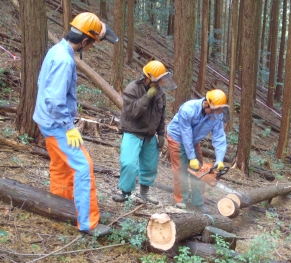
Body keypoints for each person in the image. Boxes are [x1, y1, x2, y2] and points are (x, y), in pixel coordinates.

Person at [33, 12, 118, 237]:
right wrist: (68, 126)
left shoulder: (57, 50)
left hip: (46, 120)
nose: (91, 47)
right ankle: (88, 223)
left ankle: (60, 207)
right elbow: (54, 98)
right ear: (85, 41)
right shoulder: (64, 59)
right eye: (93, 44)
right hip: (55, 123)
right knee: (83, 166)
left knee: (61, 167)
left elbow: (42, 83)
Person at [112, 60, 177, 204]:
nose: (160, 83)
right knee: (128, 163)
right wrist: (148, 96)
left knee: (150, 165)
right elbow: (134, 112)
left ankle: (144, 192)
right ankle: (125, 192)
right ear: (148, 77)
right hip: (132, 131)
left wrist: (161, 134)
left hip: (149, 134)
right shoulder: (132, 89)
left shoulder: (160, 94)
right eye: (158, 80)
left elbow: (161, 115)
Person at [167, 89, 228, 213]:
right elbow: (186, 134)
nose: (216, 113)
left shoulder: (217, 114)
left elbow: (219, 137)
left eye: (219, 110)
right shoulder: (188, 109)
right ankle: (181, 201)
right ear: (206, 103)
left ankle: (198, 201)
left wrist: (219, 160)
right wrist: (191, 157)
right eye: (214, 110)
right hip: (177, 137)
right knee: (181, 169)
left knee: (200, 171)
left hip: (194, 140)